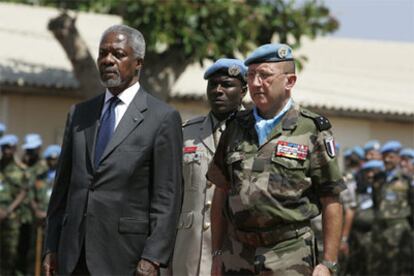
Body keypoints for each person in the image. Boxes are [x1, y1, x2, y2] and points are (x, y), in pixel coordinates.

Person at [43, 24, 183, 276]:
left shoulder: (162, 118)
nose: (108, 60)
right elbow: (62, 189)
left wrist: (153, 257)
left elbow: (167, 197)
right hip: (72, 254)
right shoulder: (79, 114)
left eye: (118, 54)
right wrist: (51, 245)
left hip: (126, 257)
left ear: (138, 62)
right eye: (103, 53)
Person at [207, 43, 345, 275]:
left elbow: (331, 198)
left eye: (265, 75)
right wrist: (217, 253)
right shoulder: (235, 126)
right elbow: (221, 191)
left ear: (289, 81)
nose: (256, 83)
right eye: (251, 76)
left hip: (289, 253)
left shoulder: (311, 129)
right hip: (237, 252)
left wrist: (329, 263)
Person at [171, 58, 247, 276]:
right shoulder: (187, 133)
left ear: (244, 90)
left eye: (226, 84)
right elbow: (172, 195)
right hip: (188, 252)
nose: (218, 90)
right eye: (213, 85)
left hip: (235, 252)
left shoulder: (255, 134)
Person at [371, 140, 413, 275]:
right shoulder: (378, 178)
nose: (387, 160)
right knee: (380, 265)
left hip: (399, 229)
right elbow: (376, 201)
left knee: (399, 266)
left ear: (398, 158)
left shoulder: (406, 178)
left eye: (391, 156)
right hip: (380, 228)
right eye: (385, 156)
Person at [17, 133, 48, 275]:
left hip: (37, 217)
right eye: (27, 150)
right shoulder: (26, 165)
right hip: (24, 216)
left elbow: (32, 191)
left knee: (35, 252)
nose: (28, 153)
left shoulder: (42, 168)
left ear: (38, 149)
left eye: (31, 150)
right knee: (23, 250)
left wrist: (36, 209)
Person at [346, 159, 383, 276]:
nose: (370, 175)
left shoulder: (384, 189)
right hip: (357, 235)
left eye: (374, 172)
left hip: (375, 235)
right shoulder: (357, 189)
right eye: (368, 171)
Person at [0, 134, 28, 275]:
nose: (6, 151)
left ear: (15, 149)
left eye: (9, 148)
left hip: (11, 217)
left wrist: (7, 210)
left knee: (10, 254)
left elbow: (23, 192)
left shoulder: (21, 170)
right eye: (4, 147)